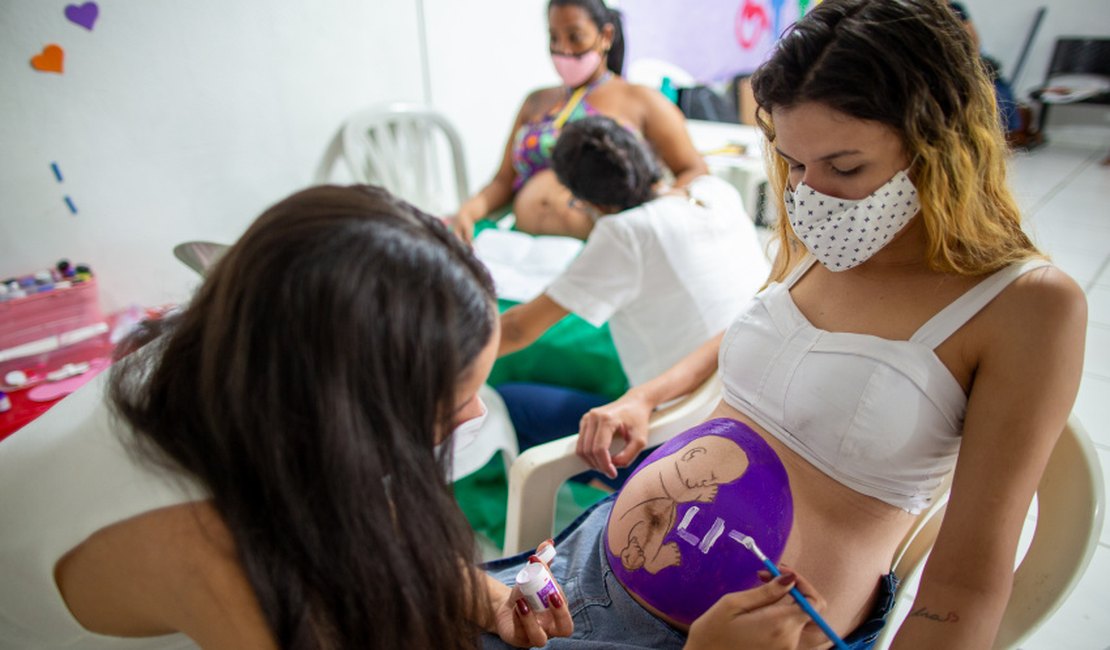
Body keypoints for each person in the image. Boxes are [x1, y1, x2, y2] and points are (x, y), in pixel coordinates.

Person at [506, 0, 1087, 647]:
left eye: (844, 167)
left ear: (942, 144)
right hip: (585, 563)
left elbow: (966, 583)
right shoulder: (824, 230)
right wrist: (648, 394)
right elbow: (766, 330)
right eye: (794, 164)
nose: (812, 194)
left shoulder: (1028, 307)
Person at [0, 185, 576, 649]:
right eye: (452, 403)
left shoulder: (249, 360)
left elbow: (371, 506)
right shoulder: (216, 555)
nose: (476, 413)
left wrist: (489, 596)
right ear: (348, 415)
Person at [495, 115, 767, 472]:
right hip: (746, 402)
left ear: (586, 200)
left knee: (510, 403)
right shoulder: (716, 192)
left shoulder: (625, 234)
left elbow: (516, 330)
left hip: (678, 437)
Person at [450, 0, 708, 242]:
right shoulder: (535, 102)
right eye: (554, 38)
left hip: (604, 250)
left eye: (575, 37)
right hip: (524, 247)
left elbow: (694, 169)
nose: (563, 49)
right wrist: (468, 212)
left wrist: (650, 216)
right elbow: (504, 181)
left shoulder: (642, 101)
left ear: (605, 36)